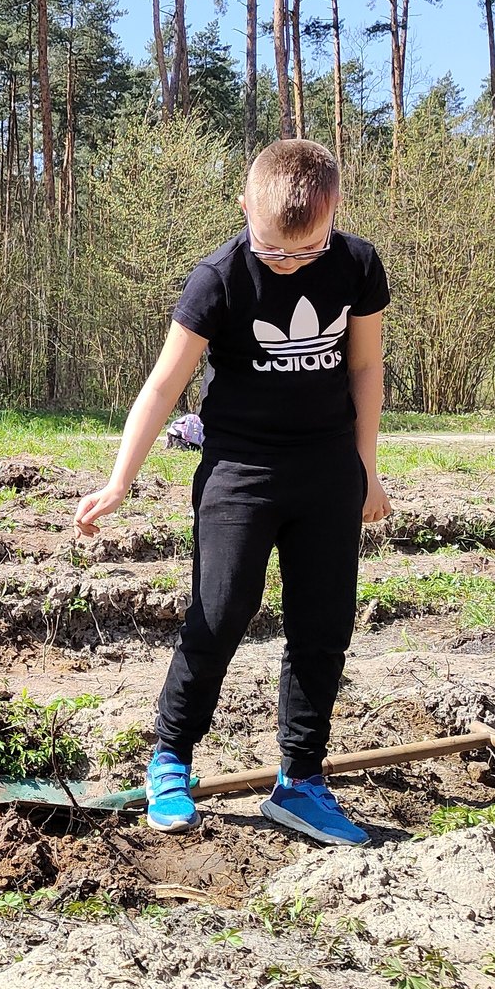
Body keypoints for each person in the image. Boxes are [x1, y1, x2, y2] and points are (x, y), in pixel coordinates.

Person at [74, 139, 389, 846]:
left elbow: (365, 367)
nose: (287, 263)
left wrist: (366, 466)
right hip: (239, 473)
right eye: (273, 249)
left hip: (327, 470)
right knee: (220, 612)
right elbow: (164, 385)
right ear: (244, 206)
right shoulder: (216, 279)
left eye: (305, 253)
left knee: (324, 624)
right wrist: (120, 480)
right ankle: (171, 760)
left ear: (334, 214)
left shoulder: (358, 265)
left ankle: (301, 783)